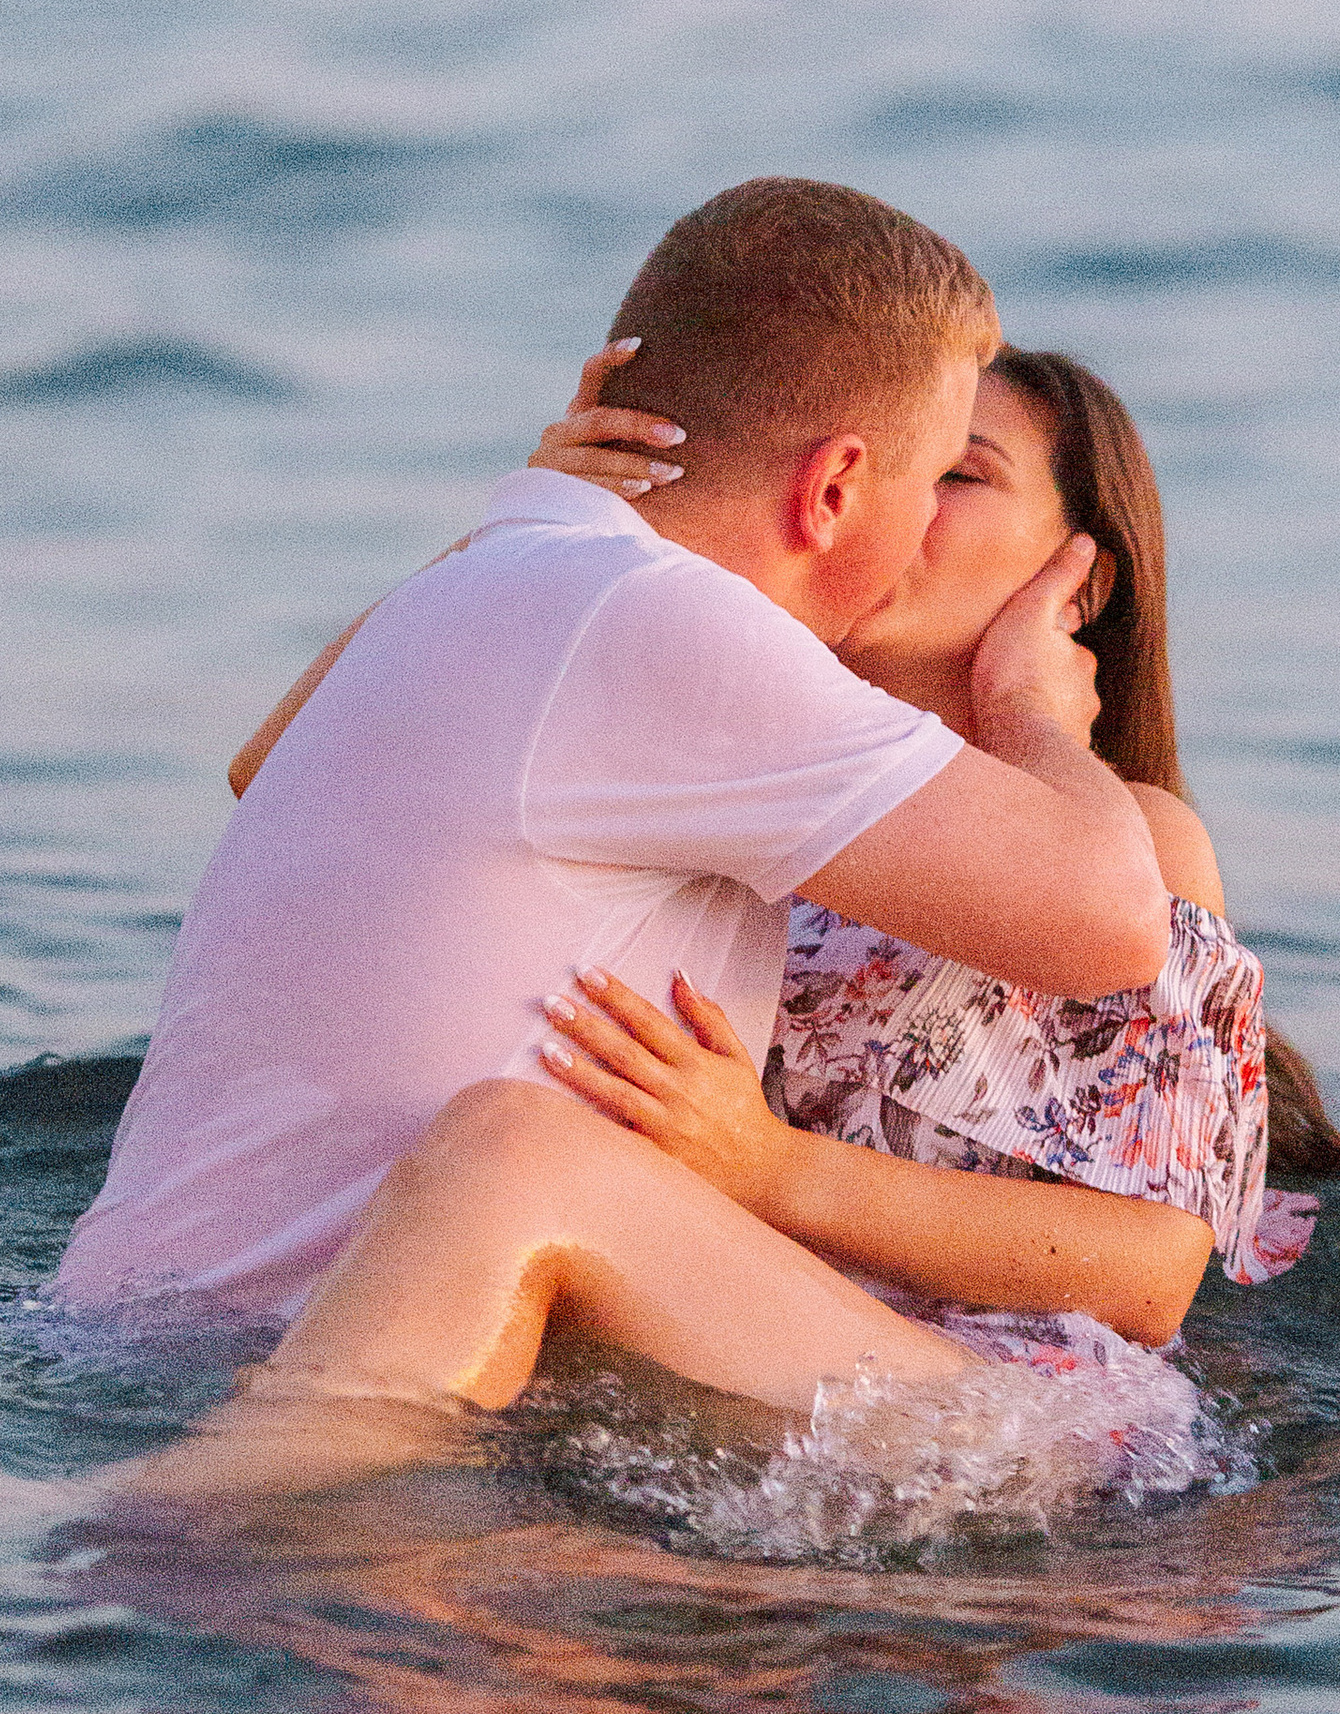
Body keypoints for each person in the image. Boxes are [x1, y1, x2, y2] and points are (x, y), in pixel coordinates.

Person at [62, 178, 1180, 1502]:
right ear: (836, 486)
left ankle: (184, 1516)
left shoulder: (512, 600)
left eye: (964, 483)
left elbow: (1129, 965)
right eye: (930, 472)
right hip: (607, 1344)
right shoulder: (666, 635)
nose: (927, 521)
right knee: (517, 1163)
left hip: (1002, 1421)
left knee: (517, 1158)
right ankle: (227, 1505)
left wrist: (1030, 716)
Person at [516, 339, 1340, 1320]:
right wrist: (545, 532)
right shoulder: (707, 773)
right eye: (874, 467)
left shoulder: (1136, 849)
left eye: (957, 474)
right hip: (690, 1332)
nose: (893, 502)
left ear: (1080, 585)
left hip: (981, 1410)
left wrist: (765, 1166)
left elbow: (1150, 1275)